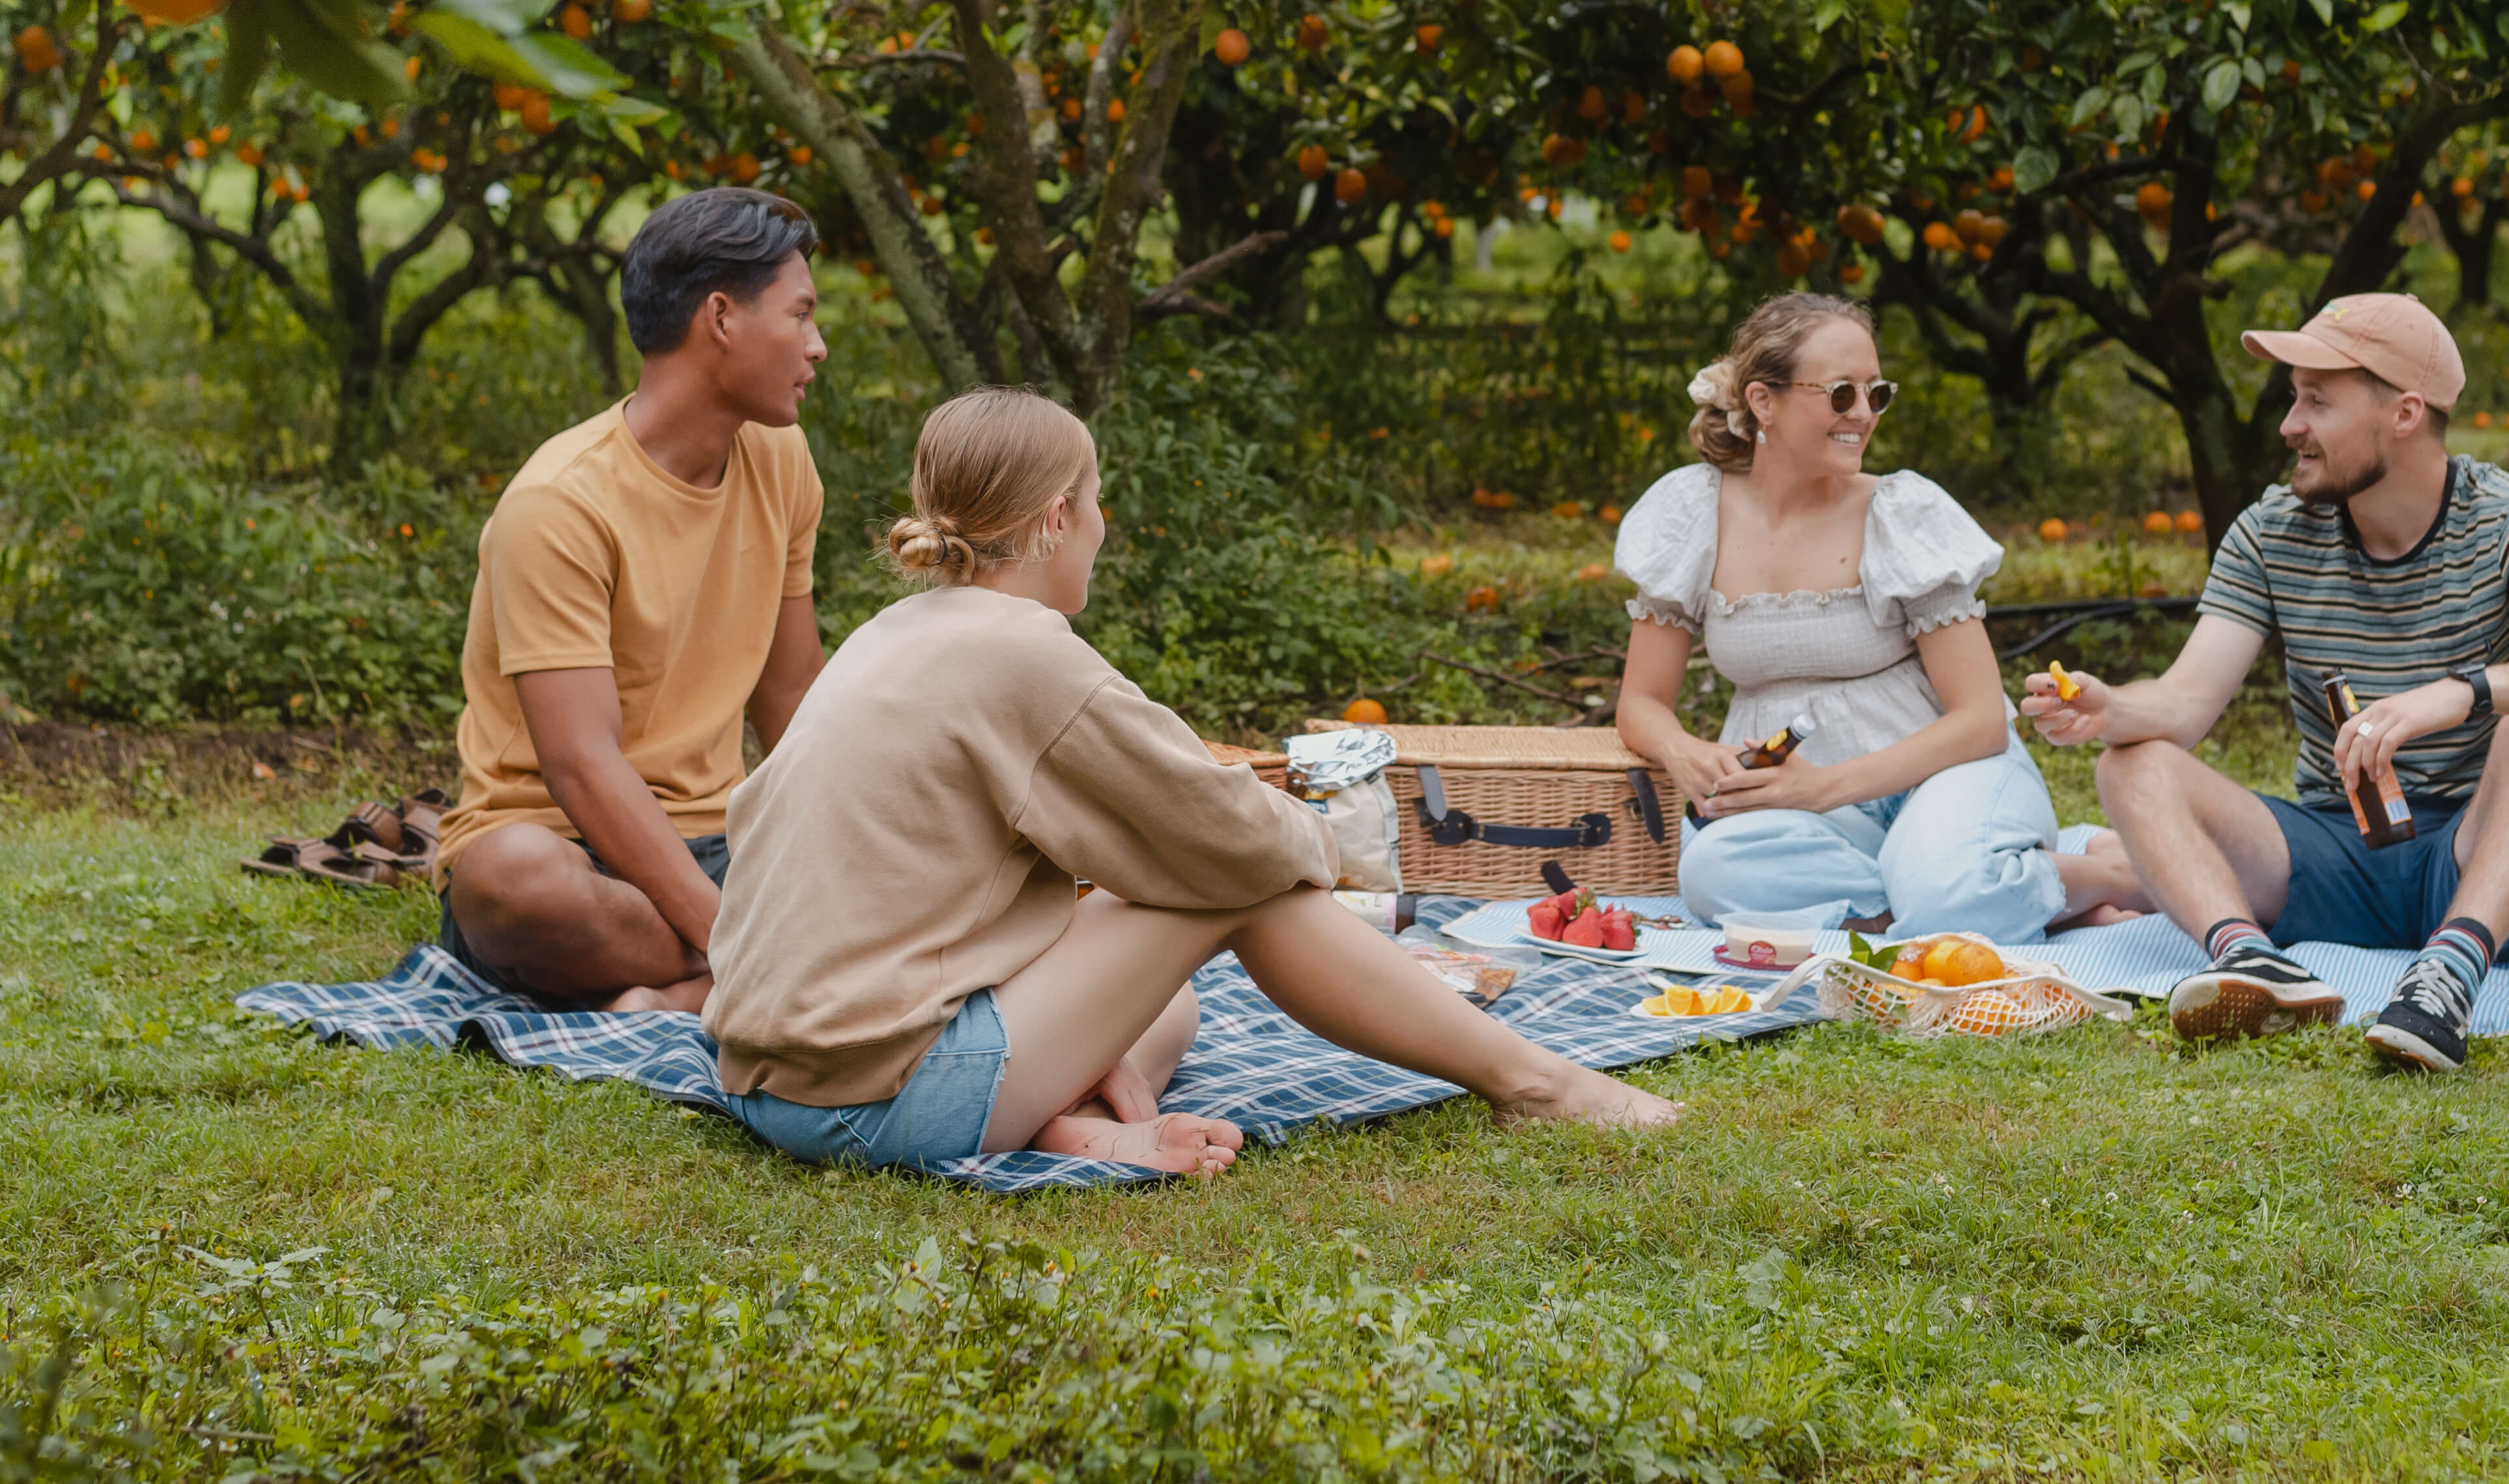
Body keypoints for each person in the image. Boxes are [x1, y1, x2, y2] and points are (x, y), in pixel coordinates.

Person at [704, 386, 1680, 1177]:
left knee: (1173, 1001)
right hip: (879, 1101)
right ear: (1056, 517)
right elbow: (1226, 836)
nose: (1101, 523)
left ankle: (1074, 1112)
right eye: (1095, 501)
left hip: (765, 1079)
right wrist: (1327, 848)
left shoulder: (894, 633)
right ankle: (1537, 1082)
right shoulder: (1022, 653)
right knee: (1241, 887)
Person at [2024, 293, 2509, 1072]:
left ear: (2404, 413)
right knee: (2129, 760)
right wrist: (2110, 705)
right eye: (2294, 397)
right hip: (2331, 849)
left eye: (2317, 400)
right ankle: (2255, 966)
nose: (2290, 423)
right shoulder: (2272, 528)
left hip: (2482, 850)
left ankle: (2447, 977)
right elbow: (2185, 703)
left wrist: (2459, 692)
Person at [1613, 293, 2142, 944]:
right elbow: (1640, 701)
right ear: (1762, 400)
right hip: (1804, 807)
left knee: (1938, 889)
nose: (1862, 414)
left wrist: (1824, 786)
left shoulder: (1901, 511)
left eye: (1875, 393)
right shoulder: (1690, 511)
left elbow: (1979, 721)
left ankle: (2113, 875)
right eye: (1839, 394)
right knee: (1713, 870)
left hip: (1944, 775)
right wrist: (1685, 751)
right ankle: (1974, 890)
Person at [433, 188, 832, 1012]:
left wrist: (853, 839)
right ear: (721, 317)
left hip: (724, 843)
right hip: (569, 849)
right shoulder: (559, 503)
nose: (817, 346)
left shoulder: (782, 460)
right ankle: (763, 968)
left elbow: (791, 695)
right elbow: (582, 763)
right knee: (513, 882)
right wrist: (737, 939)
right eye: (799, 316)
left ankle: (682, 993)